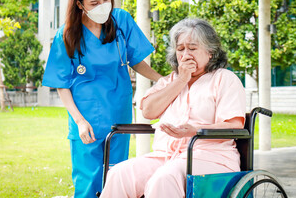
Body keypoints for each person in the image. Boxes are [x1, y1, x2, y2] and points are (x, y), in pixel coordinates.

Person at [42, 0, 161, 198]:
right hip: (86, 117)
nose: (103, 6)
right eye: (94, 2)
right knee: (89, 180)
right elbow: (62, 84)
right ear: (80, 4)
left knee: (117, 177)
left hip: (119, 113)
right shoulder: (66, 35)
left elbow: (136, 60)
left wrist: (162, 79)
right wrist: (79, 121)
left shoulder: (121, 20)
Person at [100, 18, 246, 198]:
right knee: (119, 174)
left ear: (210, 52)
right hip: (166, 156)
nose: (186, 54)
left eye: (192, 48)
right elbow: (148, 111)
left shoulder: (225, 79)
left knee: (163, 179)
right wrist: (181, 80)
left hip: (211, 157)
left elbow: (234, 125)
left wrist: (195, 131)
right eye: (180, 49)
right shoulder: (171, 80)